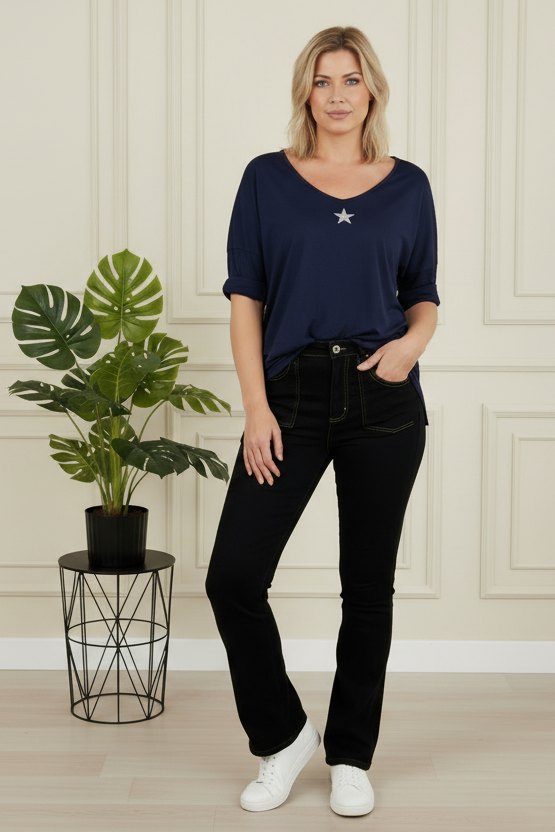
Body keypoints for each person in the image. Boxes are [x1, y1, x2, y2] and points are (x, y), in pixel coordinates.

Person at [205, 24, 440, 817]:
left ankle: (350, 755)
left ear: (371, 89)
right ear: (304, 92)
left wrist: (412, 344)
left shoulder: (408, 185)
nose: (337, 96)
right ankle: (281, 737)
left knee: (365, 588)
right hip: (292, 397)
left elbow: (422, 295)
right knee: (233, 577)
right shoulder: (266, 179)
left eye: (351, 80)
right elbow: (246, 299)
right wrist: (256, 409)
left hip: (382, 396)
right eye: (321, 81)